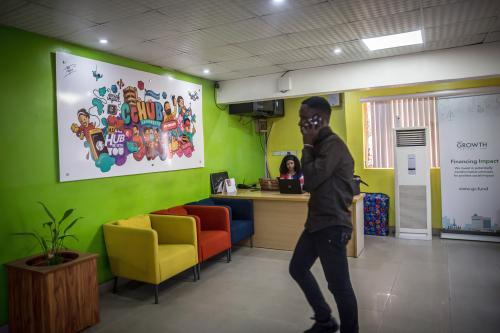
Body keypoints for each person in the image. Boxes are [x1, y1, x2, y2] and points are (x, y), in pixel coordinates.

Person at [289, 96, 358, 333]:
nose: (300, 124)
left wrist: (307, 146)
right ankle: (324, 319)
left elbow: (309, 180)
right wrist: (309, 146)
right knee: (297, 268)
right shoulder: (320, 145)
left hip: (332, 226)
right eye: (300, 118)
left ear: (322, 119)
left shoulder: (333, 146)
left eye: (305, 118)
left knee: (339, 287)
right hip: (316, 224)